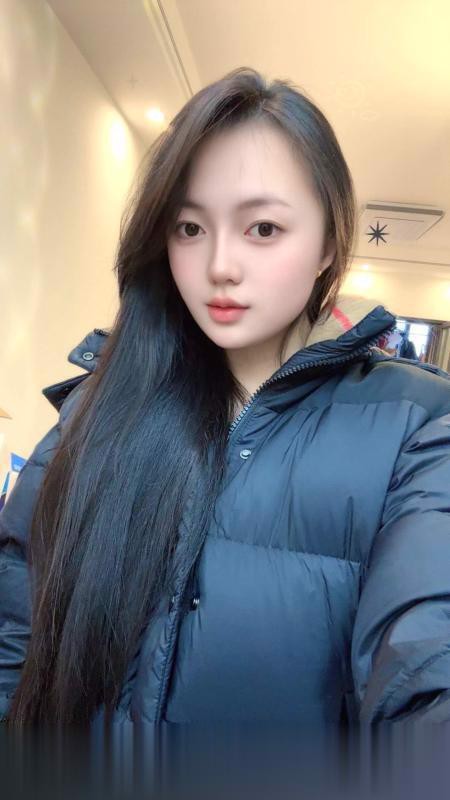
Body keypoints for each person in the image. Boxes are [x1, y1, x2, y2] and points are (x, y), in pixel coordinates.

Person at [1, 68, 450, 725]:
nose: (219, 266)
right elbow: (14, 640)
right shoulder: (93, 411)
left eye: (262, 229)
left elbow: (423, 664)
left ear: (328, 245)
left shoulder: (417, 424)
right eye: (189, 229)